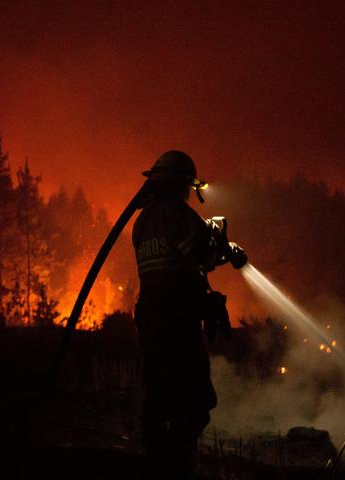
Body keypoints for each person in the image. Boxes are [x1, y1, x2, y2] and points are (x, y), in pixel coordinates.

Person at [132, 150, 245, 479]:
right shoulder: (178, 215)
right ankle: (181, 466)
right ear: (183, 185)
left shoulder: (142, 222)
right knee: (194, 399)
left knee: (158, 396)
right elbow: (201, 255)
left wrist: (213, 242)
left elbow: (175, 259)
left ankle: (156, 464)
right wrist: (225, 248)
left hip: (151, 321)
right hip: (178, 324)